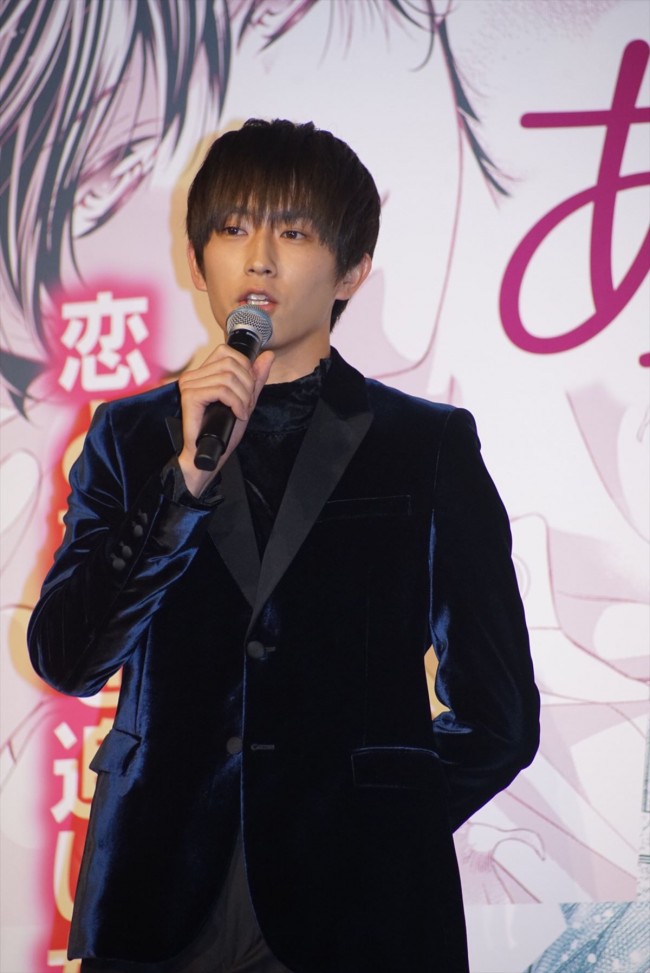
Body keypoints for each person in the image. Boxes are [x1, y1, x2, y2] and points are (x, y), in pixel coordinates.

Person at [27, 118, 540, 973]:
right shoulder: (130, 436)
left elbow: (502, 718)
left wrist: (374, 824)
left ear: (352, 270)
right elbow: (68, 657)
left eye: (294, 233)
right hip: (157, 896)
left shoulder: (426, 445)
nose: (259, 259)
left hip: (362, 912)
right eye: (234, 228)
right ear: (198, 261)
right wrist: (183, 484)